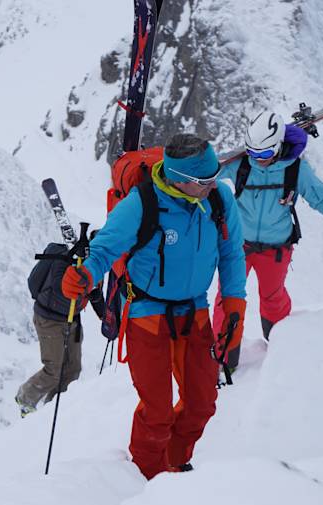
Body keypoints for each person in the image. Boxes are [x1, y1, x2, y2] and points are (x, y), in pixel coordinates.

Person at [61, 134, 247, 479]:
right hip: (148, 312)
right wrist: (84, 275)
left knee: (202, 403)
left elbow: (232, 252)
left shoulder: (219, 199)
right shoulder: (140, 204)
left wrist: (234, 303)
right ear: (180, 179)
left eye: (214, 176)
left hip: (195, 309)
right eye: (203, 181)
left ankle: (174, 463)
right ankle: (147, 479)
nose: (213, 185)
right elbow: (103, 249)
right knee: (157, 411)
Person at [212, 111, 323, 367]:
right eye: (252, 152)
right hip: (239, 245)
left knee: (273, 298)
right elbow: (207, 176)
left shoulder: (296, 168)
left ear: (277, 147)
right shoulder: (240, 164)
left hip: (276, 247)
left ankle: (281, 346)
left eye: (263, 154)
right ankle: (224, 356)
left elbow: (319, 197)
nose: (256, 160)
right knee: (228, 297)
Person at [15, 241, 105, 417]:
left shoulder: (96, 265)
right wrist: (82, 283)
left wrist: (106, 316)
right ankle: (26, 398)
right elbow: (62, 292)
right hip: (50, 320)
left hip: (72, 320)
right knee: (54, 369)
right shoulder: (71, 264)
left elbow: (94, 294)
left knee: (72, 369)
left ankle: (55, 408)